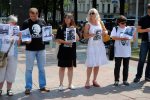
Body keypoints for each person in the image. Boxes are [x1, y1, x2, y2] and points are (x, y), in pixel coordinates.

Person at [21, 8, 50, 95]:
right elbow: (23, 36)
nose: (33, 17)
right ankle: (28, 87)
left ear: (38, 14)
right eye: (31, 16)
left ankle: (42, 86)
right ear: (29, 15)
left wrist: (49, 35)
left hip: (41, 49)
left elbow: (46, 33)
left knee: (42, 69)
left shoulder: (42, 22)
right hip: (30, 50)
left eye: (34, 15)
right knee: (29, 69)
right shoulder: (26, 23)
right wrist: (26, 41)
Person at [83, 8, 108, 89]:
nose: (91, 14)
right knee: (90, 64)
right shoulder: (88, 24)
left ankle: (94, 80)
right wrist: (91, 35)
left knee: (97, 64)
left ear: (96, 14)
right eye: (90, 13)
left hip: (100, 45)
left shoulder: (100, 22)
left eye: (92, 13)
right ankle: (87, 81)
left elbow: (105, 31)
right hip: (92, 46)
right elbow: (84, 36)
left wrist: (105, 32)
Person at [55, 13, 79, 91]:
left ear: (71, 19)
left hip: (71, 51)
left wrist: (74, 31)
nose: (67, 19)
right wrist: (66, 42)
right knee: (62, 68)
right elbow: (58, 39)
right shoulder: (61, 27)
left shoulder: (74, 28)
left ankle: (70, 84)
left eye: (69, 18)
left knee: (70, 68)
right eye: (65, 18)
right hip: (63, 51)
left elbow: (78, 39)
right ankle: (61, 84)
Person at [0, 15, 21, 96]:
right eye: (12, 22)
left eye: (15, 23)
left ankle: (9, 89)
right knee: (1, 72)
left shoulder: (16, 30)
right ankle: (0, 89)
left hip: (13, 54)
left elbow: (18, 44)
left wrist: (19, 37)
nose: (14, 24)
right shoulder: (2, 28)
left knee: (11, 72)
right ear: (8, 22)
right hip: (2, 54)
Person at [111, 15, 133, 86]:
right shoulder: (115, 28)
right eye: (122, 23)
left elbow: (132, 39)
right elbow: (113, 37)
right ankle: (116, 80)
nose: (124, 24)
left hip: (126, 51)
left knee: (126, 66)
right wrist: (122, 38)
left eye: (125, 23)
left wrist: (133, 34)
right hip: (118, 51)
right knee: (117, 66)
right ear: (118, 23)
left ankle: (125, 80)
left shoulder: (128, 29)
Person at [133, 4, 150, 83]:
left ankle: (147, 76)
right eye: (149, 8)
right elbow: (138, 30)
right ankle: (138, 76)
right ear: (148, 9)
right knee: (142, 59)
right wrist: (146, 30)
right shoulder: (143, 19)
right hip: (145, 41)